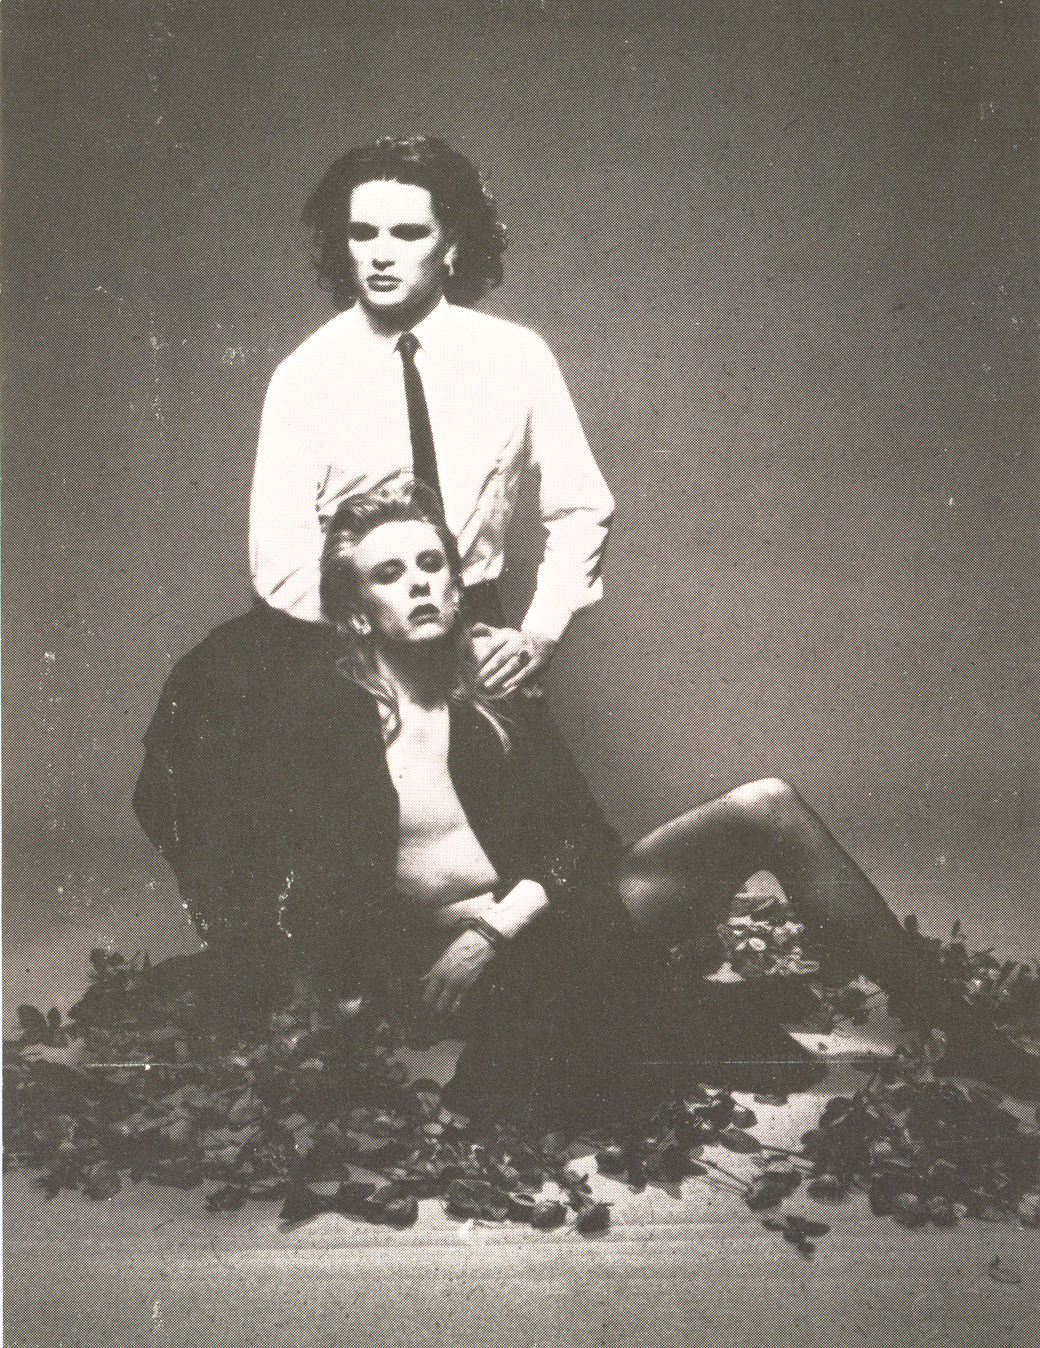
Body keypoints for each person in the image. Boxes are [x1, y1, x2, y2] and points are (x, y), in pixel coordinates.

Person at [134, 476, 1038, 1125]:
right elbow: (265, 830)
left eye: (432, 564)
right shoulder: (329, 719)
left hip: (541, 925)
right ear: (358, 610)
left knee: (768, 803)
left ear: (456, 581)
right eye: (390, 573)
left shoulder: (495, 690)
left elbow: (586, 842)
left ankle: (957, 1026)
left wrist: (498, 927)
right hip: (439, 969)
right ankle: (655, 1014)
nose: (420, 583)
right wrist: (325, 983)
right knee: (549, 1085)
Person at [250, 136, 614, 696]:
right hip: (342, 652)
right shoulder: (304, 377)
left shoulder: (516, 357)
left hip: (478, 643)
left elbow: (582, 508)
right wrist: (384, 648)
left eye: (408, 233)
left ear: (452, 245)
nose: (380, 254)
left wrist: (541, 631)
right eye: (362, 233)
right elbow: (280, 564)